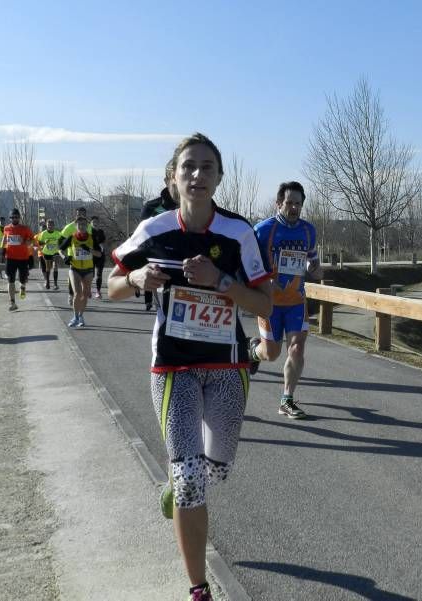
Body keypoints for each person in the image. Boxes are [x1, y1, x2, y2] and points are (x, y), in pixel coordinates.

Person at [108, 133, 272, 601]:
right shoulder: (156, 229)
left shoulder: (239, 234)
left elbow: (264, 300)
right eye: (188, 167)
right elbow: (112, 283)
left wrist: (221, 281)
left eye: (207, 167)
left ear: (219, 177)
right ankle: (198, 587)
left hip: (225, 367)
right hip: (173, 368)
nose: (197, 175)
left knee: (215, 470)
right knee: (189, 479)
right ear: (173, 176)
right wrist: (136, 278)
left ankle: (177, 486)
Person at [248, 181, 323, 419]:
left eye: (298, 204)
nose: (293, 208)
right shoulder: (262, 230)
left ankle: (287, 399)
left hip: (296, 302)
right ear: (278, 203)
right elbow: (247, 263)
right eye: (289, 203)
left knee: (297, 348)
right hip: (268, 302)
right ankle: (252, 352)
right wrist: (260, 280)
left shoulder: (308, 230)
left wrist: (315, 268)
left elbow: (312, 259)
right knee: (271, 354)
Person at [139, 160, 179, 310]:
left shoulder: (199, 207)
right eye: (173, 177)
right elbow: (141, 238)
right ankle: (149, 301)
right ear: (167, 180)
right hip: (159, 262)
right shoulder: (151, 206)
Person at [59, 216, 99, 327]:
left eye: (84, 225)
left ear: (87, 226)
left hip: (88, 270)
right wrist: (64, 257)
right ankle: (75, 317)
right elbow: (60, 249)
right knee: (77, 293)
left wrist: (89, 249)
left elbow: (99, 254)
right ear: (76, 226)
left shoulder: (92, 237)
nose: (81, 227)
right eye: (79, 225)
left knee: (85, 294)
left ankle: (81, 316)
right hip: (75, 268)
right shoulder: (71, 238)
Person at [59, 207, 93, 305]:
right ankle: (71, 295)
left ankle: (85, 291)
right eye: (78, 214)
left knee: (87, 277)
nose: (80, 216)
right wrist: (64, 256)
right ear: (76, 215)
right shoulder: (69, 227)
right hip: (73, 256)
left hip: (88, 256)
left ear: (86, 215)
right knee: (73, 278)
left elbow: (95, 241)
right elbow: (60, 242)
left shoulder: (90, 227)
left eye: (83, 214)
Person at [2, 209, 35, 311]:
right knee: (10, 280)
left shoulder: (25, 228)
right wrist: (2, 248)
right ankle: (12, 303)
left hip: (23, 258)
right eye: (12, 217)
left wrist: (24, 241)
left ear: (19, 218)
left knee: (22, 279)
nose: (14, 219)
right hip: (10, 258)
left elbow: (32, 241)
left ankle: (23, 287)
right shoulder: (6, 228)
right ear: (10, 218)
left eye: (16, 217)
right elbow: (5, 238)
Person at [35, 219, 63, 290]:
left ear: (54, 226)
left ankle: (55, 284)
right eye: (48, 225)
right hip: (47, 252)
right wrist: (44, 242)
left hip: (55, 251)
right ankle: (47, 282)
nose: (50, 226)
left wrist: (60, 246)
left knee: (55, 266)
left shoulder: (58, 233)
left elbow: (62, 242)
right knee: (48, 268)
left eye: (51, 225)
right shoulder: (43, 233)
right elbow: (39, 243)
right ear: (47, 226)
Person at [90, 216, 107, 299]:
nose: (95, 223)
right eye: (93, 222)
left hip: (100, 255)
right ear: (91, 223)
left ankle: (98, 291)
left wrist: (102, 247)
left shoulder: (101, 231)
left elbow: (103, 242)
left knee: (99, 274)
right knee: (91, 274)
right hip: (91, 255)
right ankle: (88, 290)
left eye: (97, 222)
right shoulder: (89, 232)